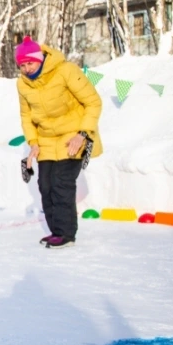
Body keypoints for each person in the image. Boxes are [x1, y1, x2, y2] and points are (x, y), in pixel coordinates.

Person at [16, 36, 103, 249]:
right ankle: (56, 232)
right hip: (46, 139)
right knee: (45, 185)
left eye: (30, 62)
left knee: (61, 184)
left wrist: (82, 133)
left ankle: (66, 235)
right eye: (23, 64)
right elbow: (26, 116)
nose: (27, 68)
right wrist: (33, 142)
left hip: (72, 135)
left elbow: (93, 102)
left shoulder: (66, 71)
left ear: (41, 58)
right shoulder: (22, 84)